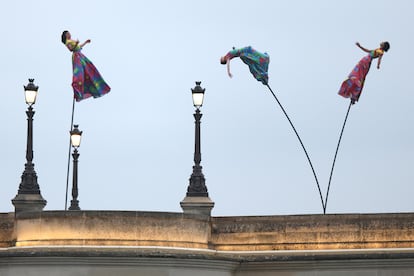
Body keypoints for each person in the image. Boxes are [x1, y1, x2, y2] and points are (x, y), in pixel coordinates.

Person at [61, 30, 111, 102]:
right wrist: (76, 44)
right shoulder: (67, 42)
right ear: (66, 35)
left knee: (89, 68)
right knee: (79, 72)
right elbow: (71, 49)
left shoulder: (71, 41)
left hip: (80, 55)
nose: (70, 34)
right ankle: (78, 88)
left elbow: (78, 46)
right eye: (68, 33)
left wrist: (85, 42)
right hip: (76, 56)